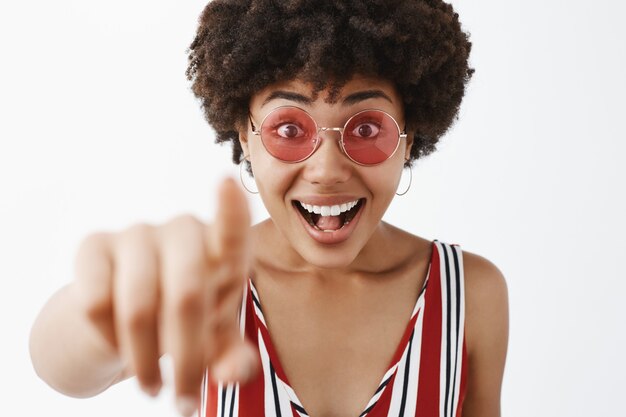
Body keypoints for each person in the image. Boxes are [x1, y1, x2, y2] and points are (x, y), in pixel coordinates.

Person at [29, 0, 509, 416]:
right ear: (245, 136)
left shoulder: (471, 295)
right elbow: (61, 370)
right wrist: (105, 307)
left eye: (365, 129)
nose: (326, 170)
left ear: (409, 139)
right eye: (289, 128)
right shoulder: (207, 281)